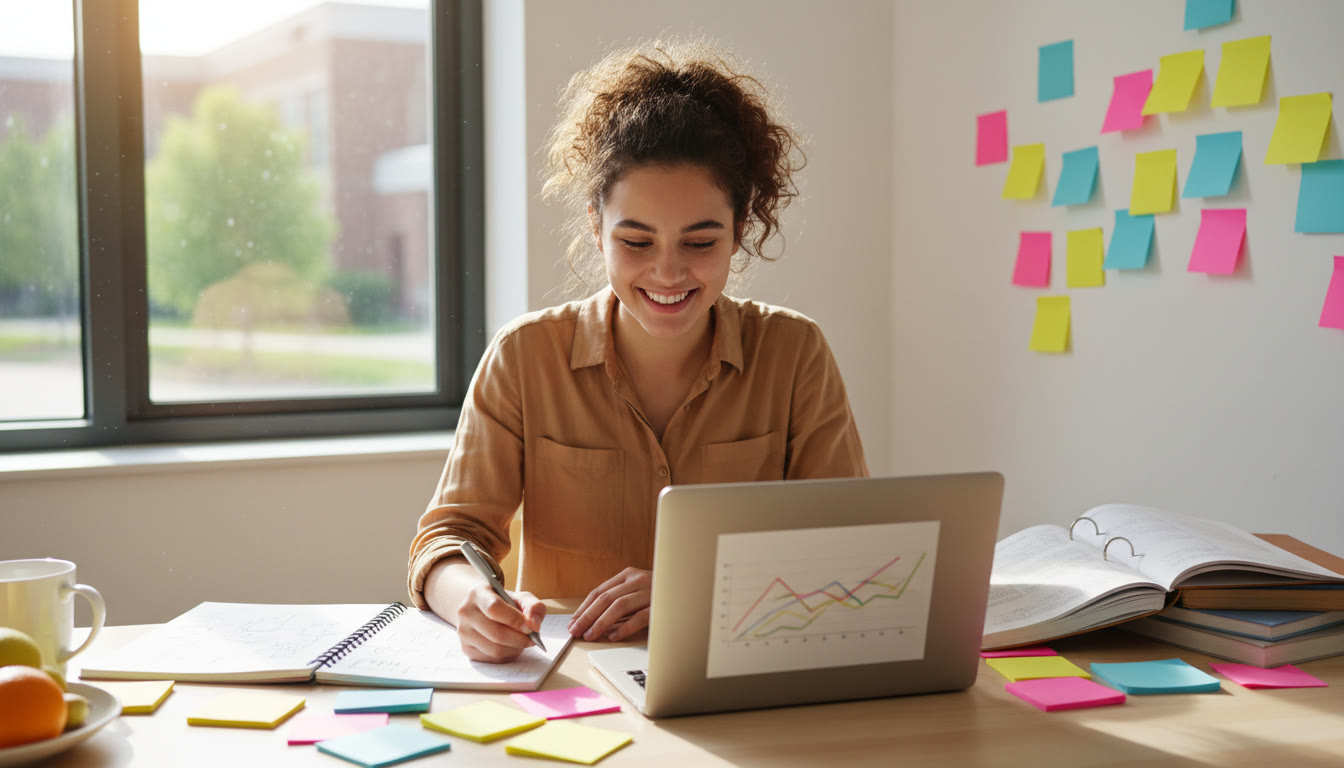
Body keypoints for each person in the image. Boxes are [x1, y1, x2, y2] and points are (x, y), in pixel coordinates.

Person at [407, 40, 868, 663]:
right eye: (637, 240)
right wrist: (469, 601)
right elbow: (449, 538)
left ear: (740, 231)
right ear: (596, 229)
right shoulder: (525, 358)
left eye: (701, 242)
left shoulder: (795, 354)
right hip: (574, 689)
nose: (669, 272)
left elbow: (845, 552)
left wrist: (694, 593)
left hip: (746, 670)